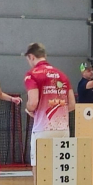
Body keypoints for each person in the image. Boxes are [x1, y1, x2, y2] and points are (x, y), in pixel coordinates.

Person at [22, 42, 74, 170]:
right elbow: (72, 104)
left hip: (43, 127)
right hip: (63, 128)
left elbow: (33, 103)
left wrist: (28, 109)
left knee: (39, 165)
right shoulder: (62, 75)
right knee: (58, 167)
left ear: (31, 57)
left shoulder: (32, 74)